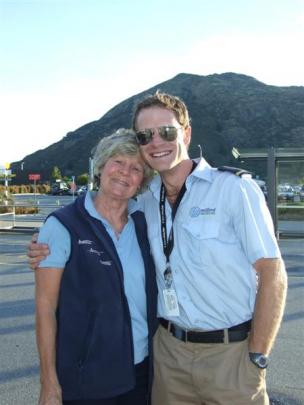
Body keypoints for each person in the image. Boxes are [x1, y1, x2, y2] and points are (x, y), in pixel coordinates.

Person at [29, 92, 288, 405]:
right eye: (145, 136)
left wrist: (258, 354)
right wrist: (45, 248)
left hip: (229, 355)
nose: (156, 142)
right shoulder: (146, 203)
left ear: (186, 133)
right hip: (167, 357)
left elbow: (272, 270)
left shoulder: (234, 189)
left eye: (167, 132)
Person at [34, 129, 157, 405]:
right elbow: (45, 308)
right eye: (118, 162)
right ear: (101, 167)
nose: (125, 172)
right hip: (85, 379)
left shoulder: (144, 223)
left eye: (136, 168)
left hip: (142, 373)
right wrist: (49, 382)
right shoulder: (63, 224)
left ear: (142, 180)